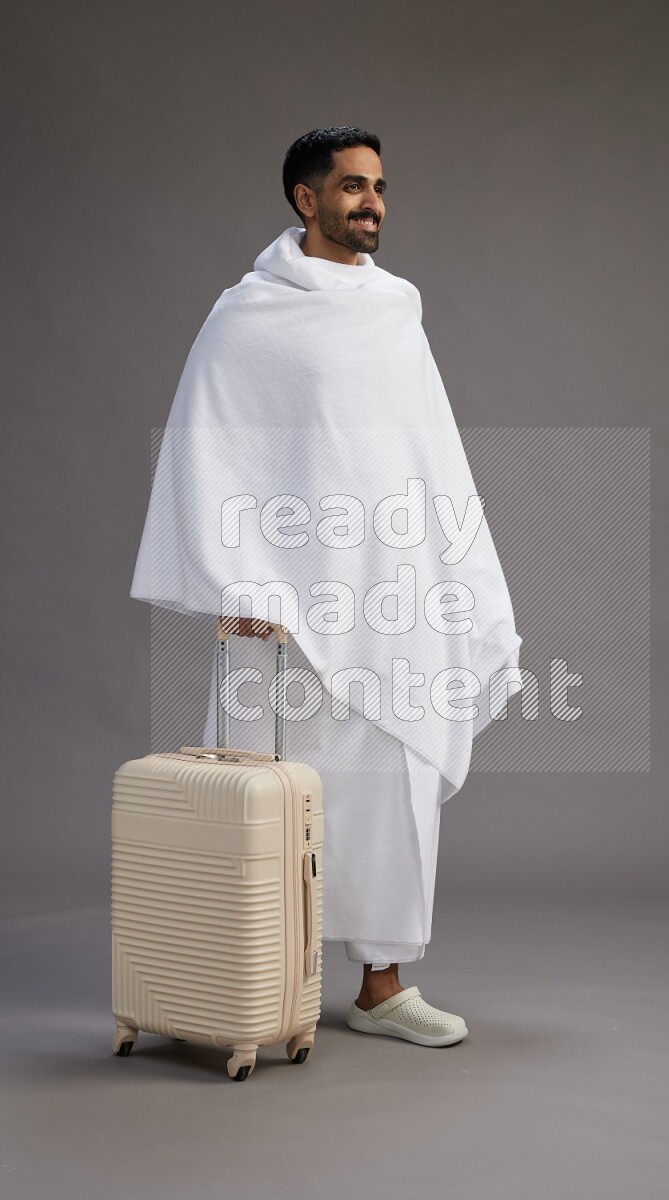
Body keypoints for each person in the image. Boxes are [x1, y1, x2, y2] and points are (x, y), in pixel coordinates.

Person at [131, 126, 523, 1048]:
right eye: (351, 187)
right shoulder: (247, 315)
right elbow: (211, 448)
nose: (371, 203)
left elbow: (431, 454)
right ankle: (253, 981)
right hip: (280, 607)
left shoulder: (396, 309)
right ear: (306, 199)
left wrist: (452, 570)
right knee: (272, 789)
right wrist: (238, 583)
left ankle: (382, 986)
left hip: (390, 589)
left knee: (391, 775)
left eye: (379, 187)